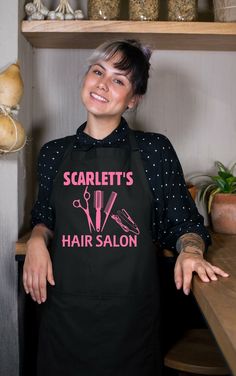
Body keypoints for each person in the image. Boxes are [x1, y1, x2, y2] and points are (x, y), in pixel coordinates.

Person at [23, 39, 229, 376]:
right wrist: (35, 239)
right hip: (64, 315)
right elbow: (46, 217)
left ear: (133, 99)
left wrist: (191, 251)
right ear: (86, 78)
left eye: (119, 80)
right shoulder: (53, 153)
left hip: (131, 319)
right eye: (98, 72)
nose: (103, 84)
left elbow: (182, 223)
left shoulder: (153, 151)